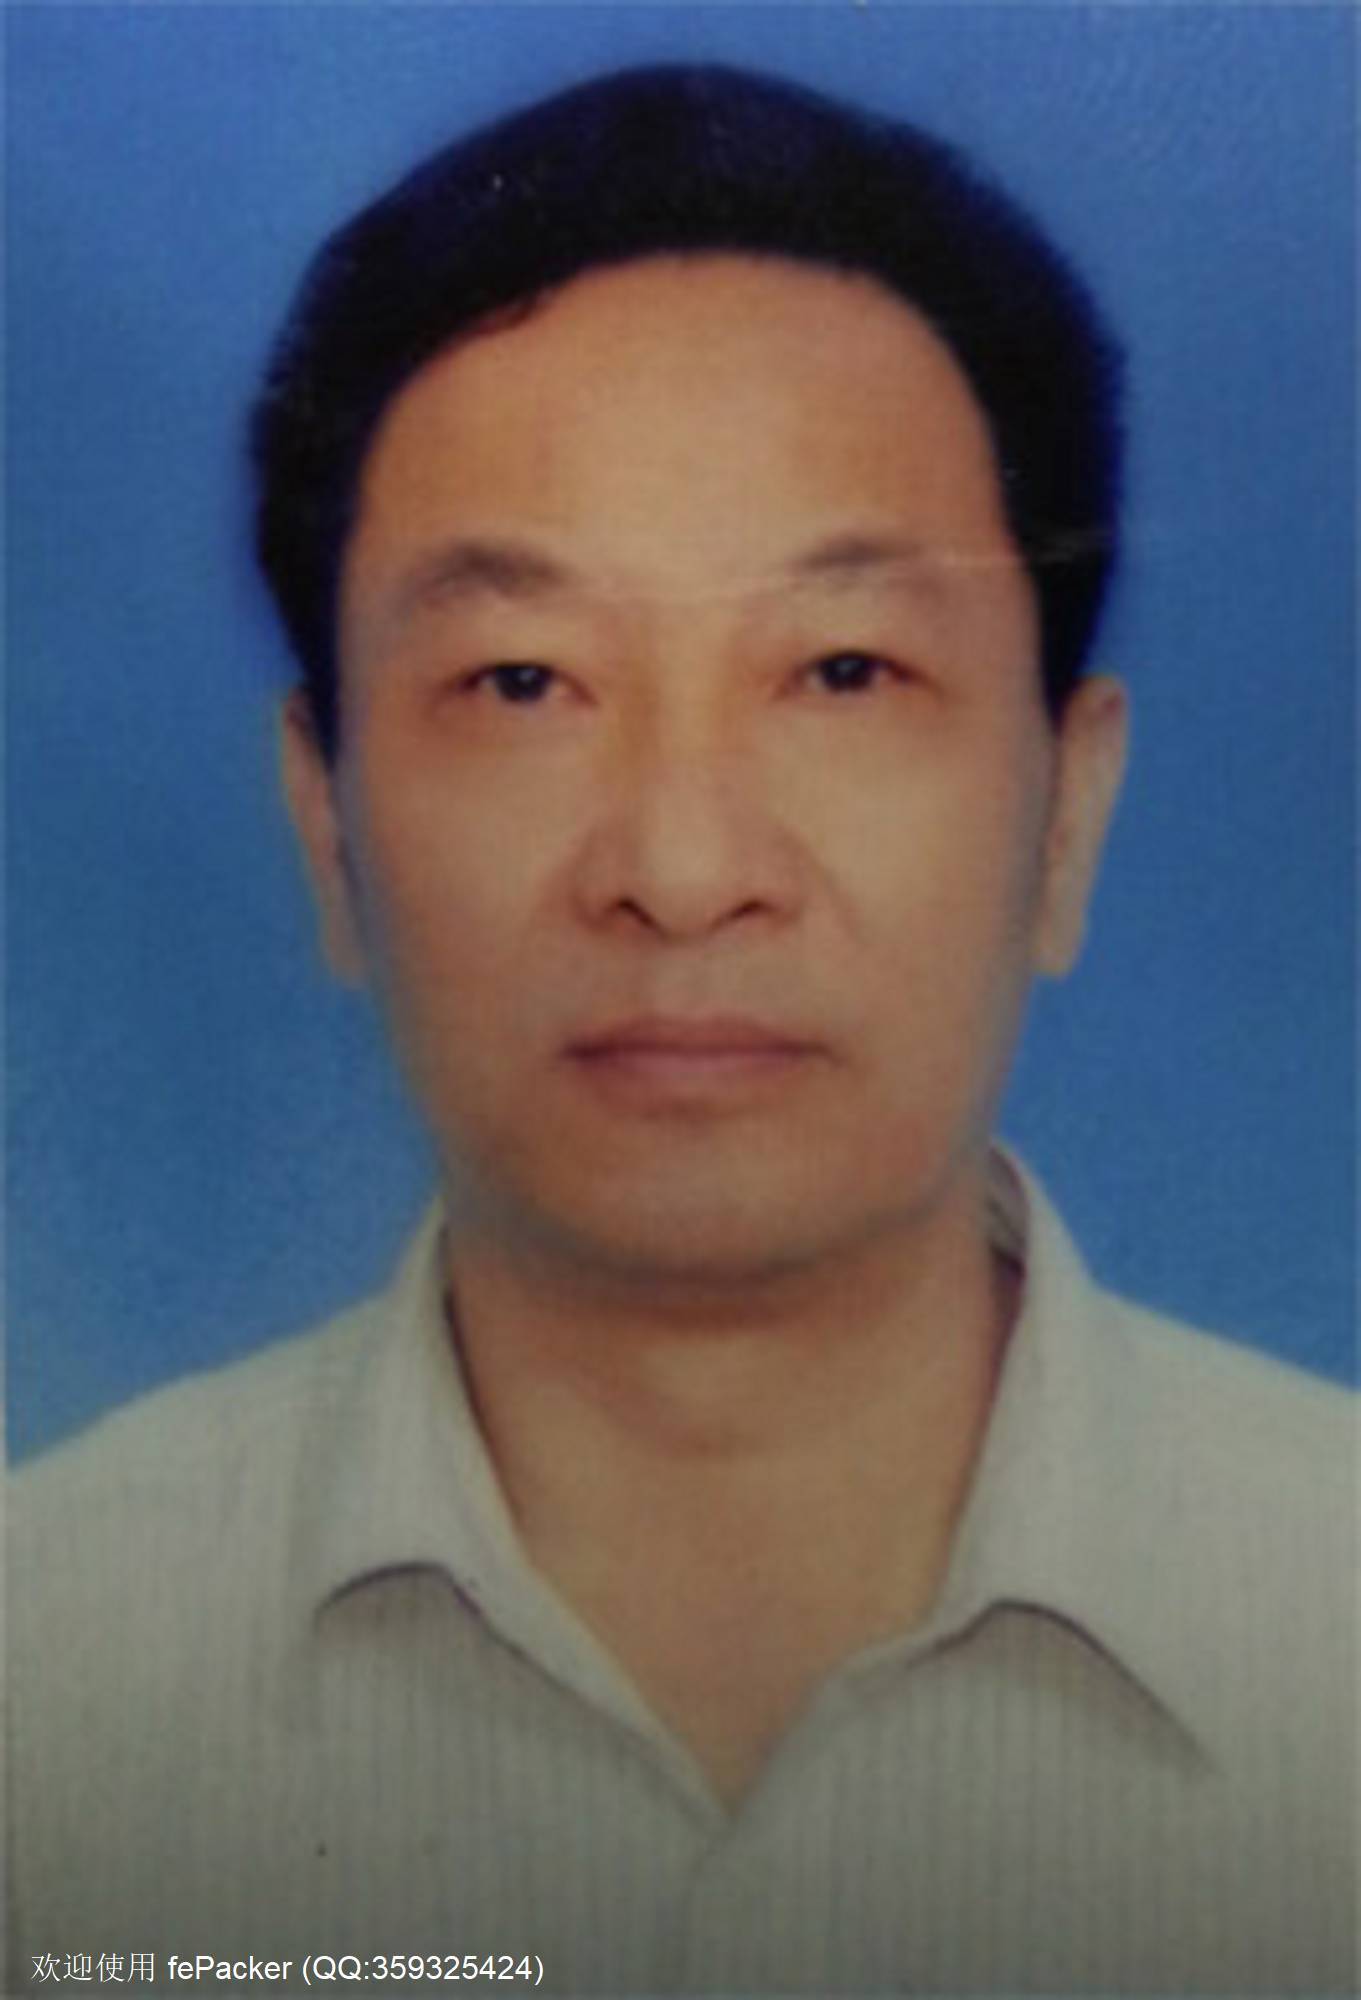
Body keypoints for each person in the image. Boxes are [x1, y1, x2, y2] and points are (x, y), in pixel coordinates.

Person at [9, 63, 1354, 1999]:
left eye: (842, 668)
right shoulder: (45, 1679)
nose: (685, 866)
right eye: (523, 680)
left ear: (1067, 812)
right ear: (327, 824)